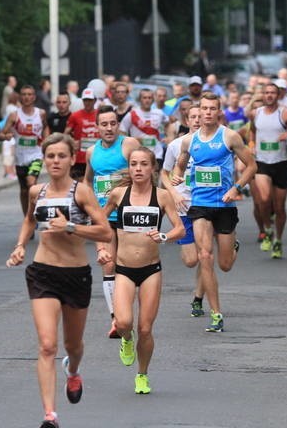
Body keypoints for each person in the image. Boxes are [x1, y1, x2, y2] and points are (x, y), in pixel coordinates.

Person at [5, 133, 111, 428]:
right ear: (44, 158)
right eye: (50, 156)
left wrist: (73, 227)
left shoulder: (82, 192)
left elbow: (105, 233)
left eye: (61, 156)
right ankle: (50, 415)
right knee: (47, 345)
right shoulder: (36, 192)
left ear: (71, 158)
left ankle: (73, 370)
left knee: (72, 345)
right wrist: (20, 246)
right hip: (43, 273)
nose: (55, 161)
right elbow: (29, 220)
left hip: (76, 275)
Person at [98, 147, 184, 394]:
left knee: (145, 328)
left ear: (152, 168)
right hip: (124, 269)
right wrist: (102, 249)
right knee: (124, 322)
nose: (138, 168)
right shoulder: (118, 194)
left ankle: (142, 375)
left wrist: (164, 235)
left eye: (143, 164)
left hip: (150, 270)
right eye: (134, 164)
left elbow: (180, 229)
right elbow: (100, 223)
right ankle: (126, 339)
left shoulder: (162, 196)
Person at [171, 92, 257, 332]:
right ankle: (216, 313)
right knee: (204, 256)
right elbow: (181, 163)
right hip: (199, 205)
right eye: (204, 109)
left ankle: (233, 246)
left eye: (212, 109)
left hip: (224, 206)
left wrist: (237, 188)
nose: (207, 113)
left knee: (225, 264)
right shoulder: (189, 141)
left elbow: (252, 166)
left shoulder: (229, 137)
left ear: (219, 112)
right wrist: (177, 175)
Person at [84, 106, 141, 338]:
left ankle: (127, 311)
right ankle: (116, 320)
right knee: (108, 265)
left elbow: (144, 173)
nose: (109, 128)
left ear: (118, 124)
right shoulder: (91, 152)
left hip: (128, 215)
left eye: (113, 123)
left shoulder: (129, 145)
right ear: (97, 127)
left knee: (127, 268)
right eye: (104, 124)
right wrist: (90, 206)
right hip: (104, 218)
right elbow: (88, 181)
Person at [249, 79, 287, 258]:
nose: (269, 95)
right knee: (264, 200)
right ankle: (267, 229)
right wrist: (251, 145)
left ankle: (278, 240)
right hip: (262, 163)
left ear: (278, 95)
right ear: (262, 95)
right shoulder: (255, 113)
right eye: (266, 93)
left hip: (280, 163)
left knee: (280, 207)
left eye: (273, 93)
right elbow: (252, 131)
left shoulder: (285, 113)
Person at [161, 104, 205, 316]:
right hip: (183, 205)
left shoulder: (214, 144)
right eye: (193, 117)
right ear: (187, 121)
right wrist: (174, 191)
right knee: (191, 260)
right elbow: (164, 174)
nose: (197, 120)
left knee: (205, 255)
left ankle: (198, 297)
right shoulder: (176, 146)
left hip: (206, 205)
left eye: (200, 116)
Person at [0, 84, 50, 216]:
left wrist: (47, 141)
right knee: (23, 190)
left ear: (34, 97)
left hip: (36, 155)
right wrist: (6, 136)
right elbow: (1, 134)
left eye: (29, 94)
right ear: (20, 97)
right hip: (20, 157)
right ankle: (27, 217)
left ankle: (35, 214)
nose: (27, 97)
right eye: (24, 94)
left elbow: (45, 127)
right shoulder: (14, 115)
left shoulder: (41, 113)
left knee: (31, 183)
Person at [120, 88, 169, 165]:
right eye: (144, 98)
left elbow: (168, 124)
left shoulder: (159, 113)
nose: (147, 100)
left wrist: (168, 136)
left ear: (153, 100)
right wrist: (131, 140)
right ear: (140, 99)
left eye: (149, 98)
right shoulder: (132, 114)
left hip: (157, 153)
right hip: (138, 154)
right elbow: (121, 131)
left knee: (155, 176)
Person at [65, 88, 99, 181]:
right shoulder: (75, 116)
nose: (87, 103)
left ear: (95, 100)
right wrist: (72, 143)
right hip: (80, 158)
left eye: (90, 100)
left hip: (97, 156)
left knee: (95, 185)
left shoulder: (100, 114)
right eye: (85, 100)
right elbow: (65, 134)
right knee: (79, 185)